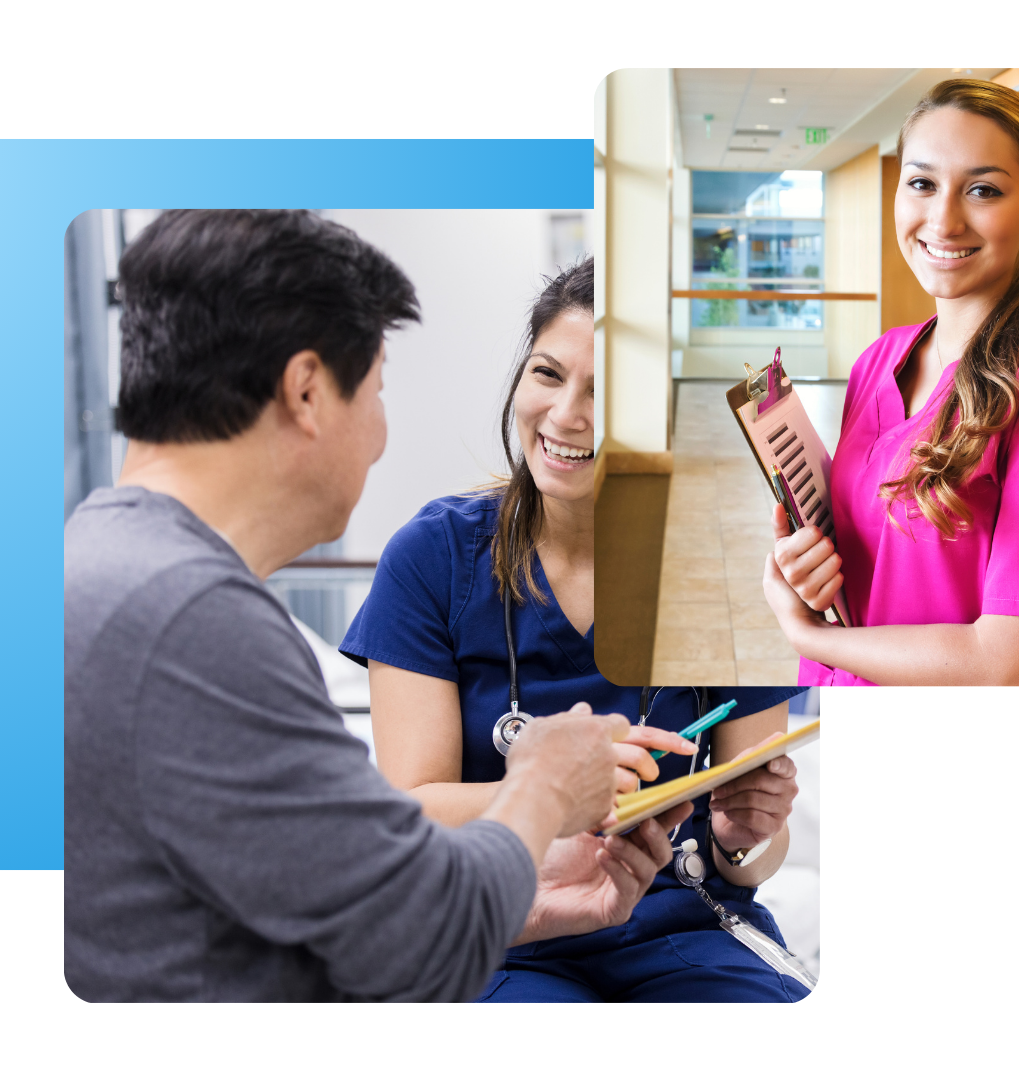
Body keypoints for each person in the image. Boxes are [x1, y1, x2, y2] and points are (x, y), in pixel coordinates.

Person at [64, 210, 699, 1002]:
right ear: (306, 392)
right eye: (377, 390)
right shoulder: (194, 623)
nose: (380, 436)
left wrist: (537, 901)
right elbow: (408, 945)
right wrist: (543, 785)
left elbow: (352, 910)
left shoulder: (100, 567)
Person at [340, 259, 813, 1002]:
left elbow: (751, 857)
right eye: (548, 374)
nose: (565, 415)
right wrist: (572, 787)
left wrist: (740, 835)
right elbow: (412, 812)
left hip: (688, 930)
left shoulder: (723, 568)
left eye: (605, 392)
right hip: (506, 936)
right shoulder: (434, 558)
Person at [760, 79, 1019, 687]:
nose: (943, 219)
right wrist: (804, 570)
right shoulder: (879, 361)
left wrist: (812, 637)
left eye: (983, 190)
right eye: (922, 183)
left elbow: (1013, 669)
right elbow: (872, 559)